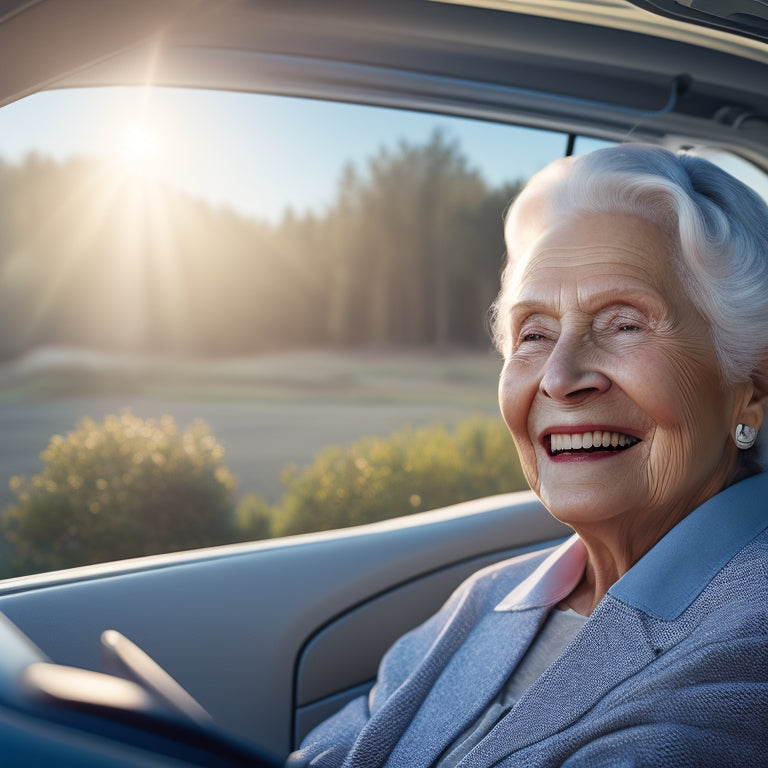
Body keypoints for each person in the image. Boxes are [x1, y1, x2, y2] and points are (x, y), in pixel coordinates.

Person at [287, 145, 768, 767]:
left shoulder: (751, 633)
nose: (561, 377)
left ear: (751, 388)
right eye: (534, 334)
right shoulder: (492, 596)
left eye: (624, 324)